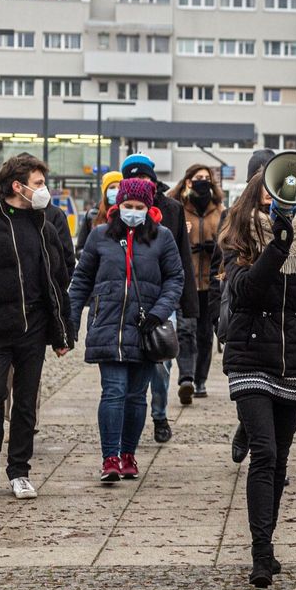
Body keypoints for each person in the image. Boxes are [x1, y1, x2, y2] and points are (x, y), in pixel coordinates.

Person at [218, 168, 296, 588]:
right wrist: (276, 246)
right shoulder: (240, 239)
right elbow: (244, 293)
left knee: (281, 461)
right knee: (265, 453)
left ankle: (267, 542)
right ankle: (260, 552)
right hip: (251, 358)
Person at [0, 154, 74, 499]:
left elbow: (57, 280)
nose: (44, 190)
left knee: (26, 402)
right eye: (39, 184)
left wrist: (62, 332)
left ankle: (20, 470)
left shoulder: (45, 226)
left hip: (34, 328)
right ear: (18, 186)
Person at [68, 178, 184, 484]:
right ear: (118, 206)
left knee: (135, 396)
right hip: (108, 325)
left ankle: (129, 453)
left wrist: (159, 313)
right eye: (128, 206)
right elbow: (81, 280)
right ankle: (110, 457)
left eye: (139, 207)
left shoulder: (162, 238)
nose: (132, 212)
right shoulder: (99, 236)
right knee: (114, 392)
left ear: (149, 208)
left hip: (144, 329)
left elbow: (175, 278)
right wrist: (71, 321)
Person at [119, 154, 197, 444]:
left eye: (145, 178)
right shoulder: (119, 210)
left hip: (164, 300)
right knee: (129, 364)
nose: (141, 183)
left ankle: (160, 414)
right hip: (128, 299)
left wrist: (187, 303)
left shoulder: (172, 210)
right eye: (134, 178)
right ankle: (129, 421)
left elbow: (182, 260)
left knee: (161, 362)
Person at [169, 164, 224, 400]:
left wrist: (216, 247)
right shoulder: (179, 209)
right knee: (185, 331)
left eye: (206, 177)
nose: (203, 181)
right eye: (198, 177)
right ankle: (187, 378)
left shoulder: (220, 212)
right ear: (188, 181)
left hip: (210, 284)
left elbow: (229, 244)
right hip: (186, 282)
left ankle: (201, 380)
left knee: (205, 335)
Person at [76, 171, 122, 255]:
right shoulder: (92, 215)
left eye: (119, 187)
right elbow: (80, 248)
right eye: (112, 187)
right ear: (105, 191)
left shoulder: (127, 215)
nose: (116, 191)